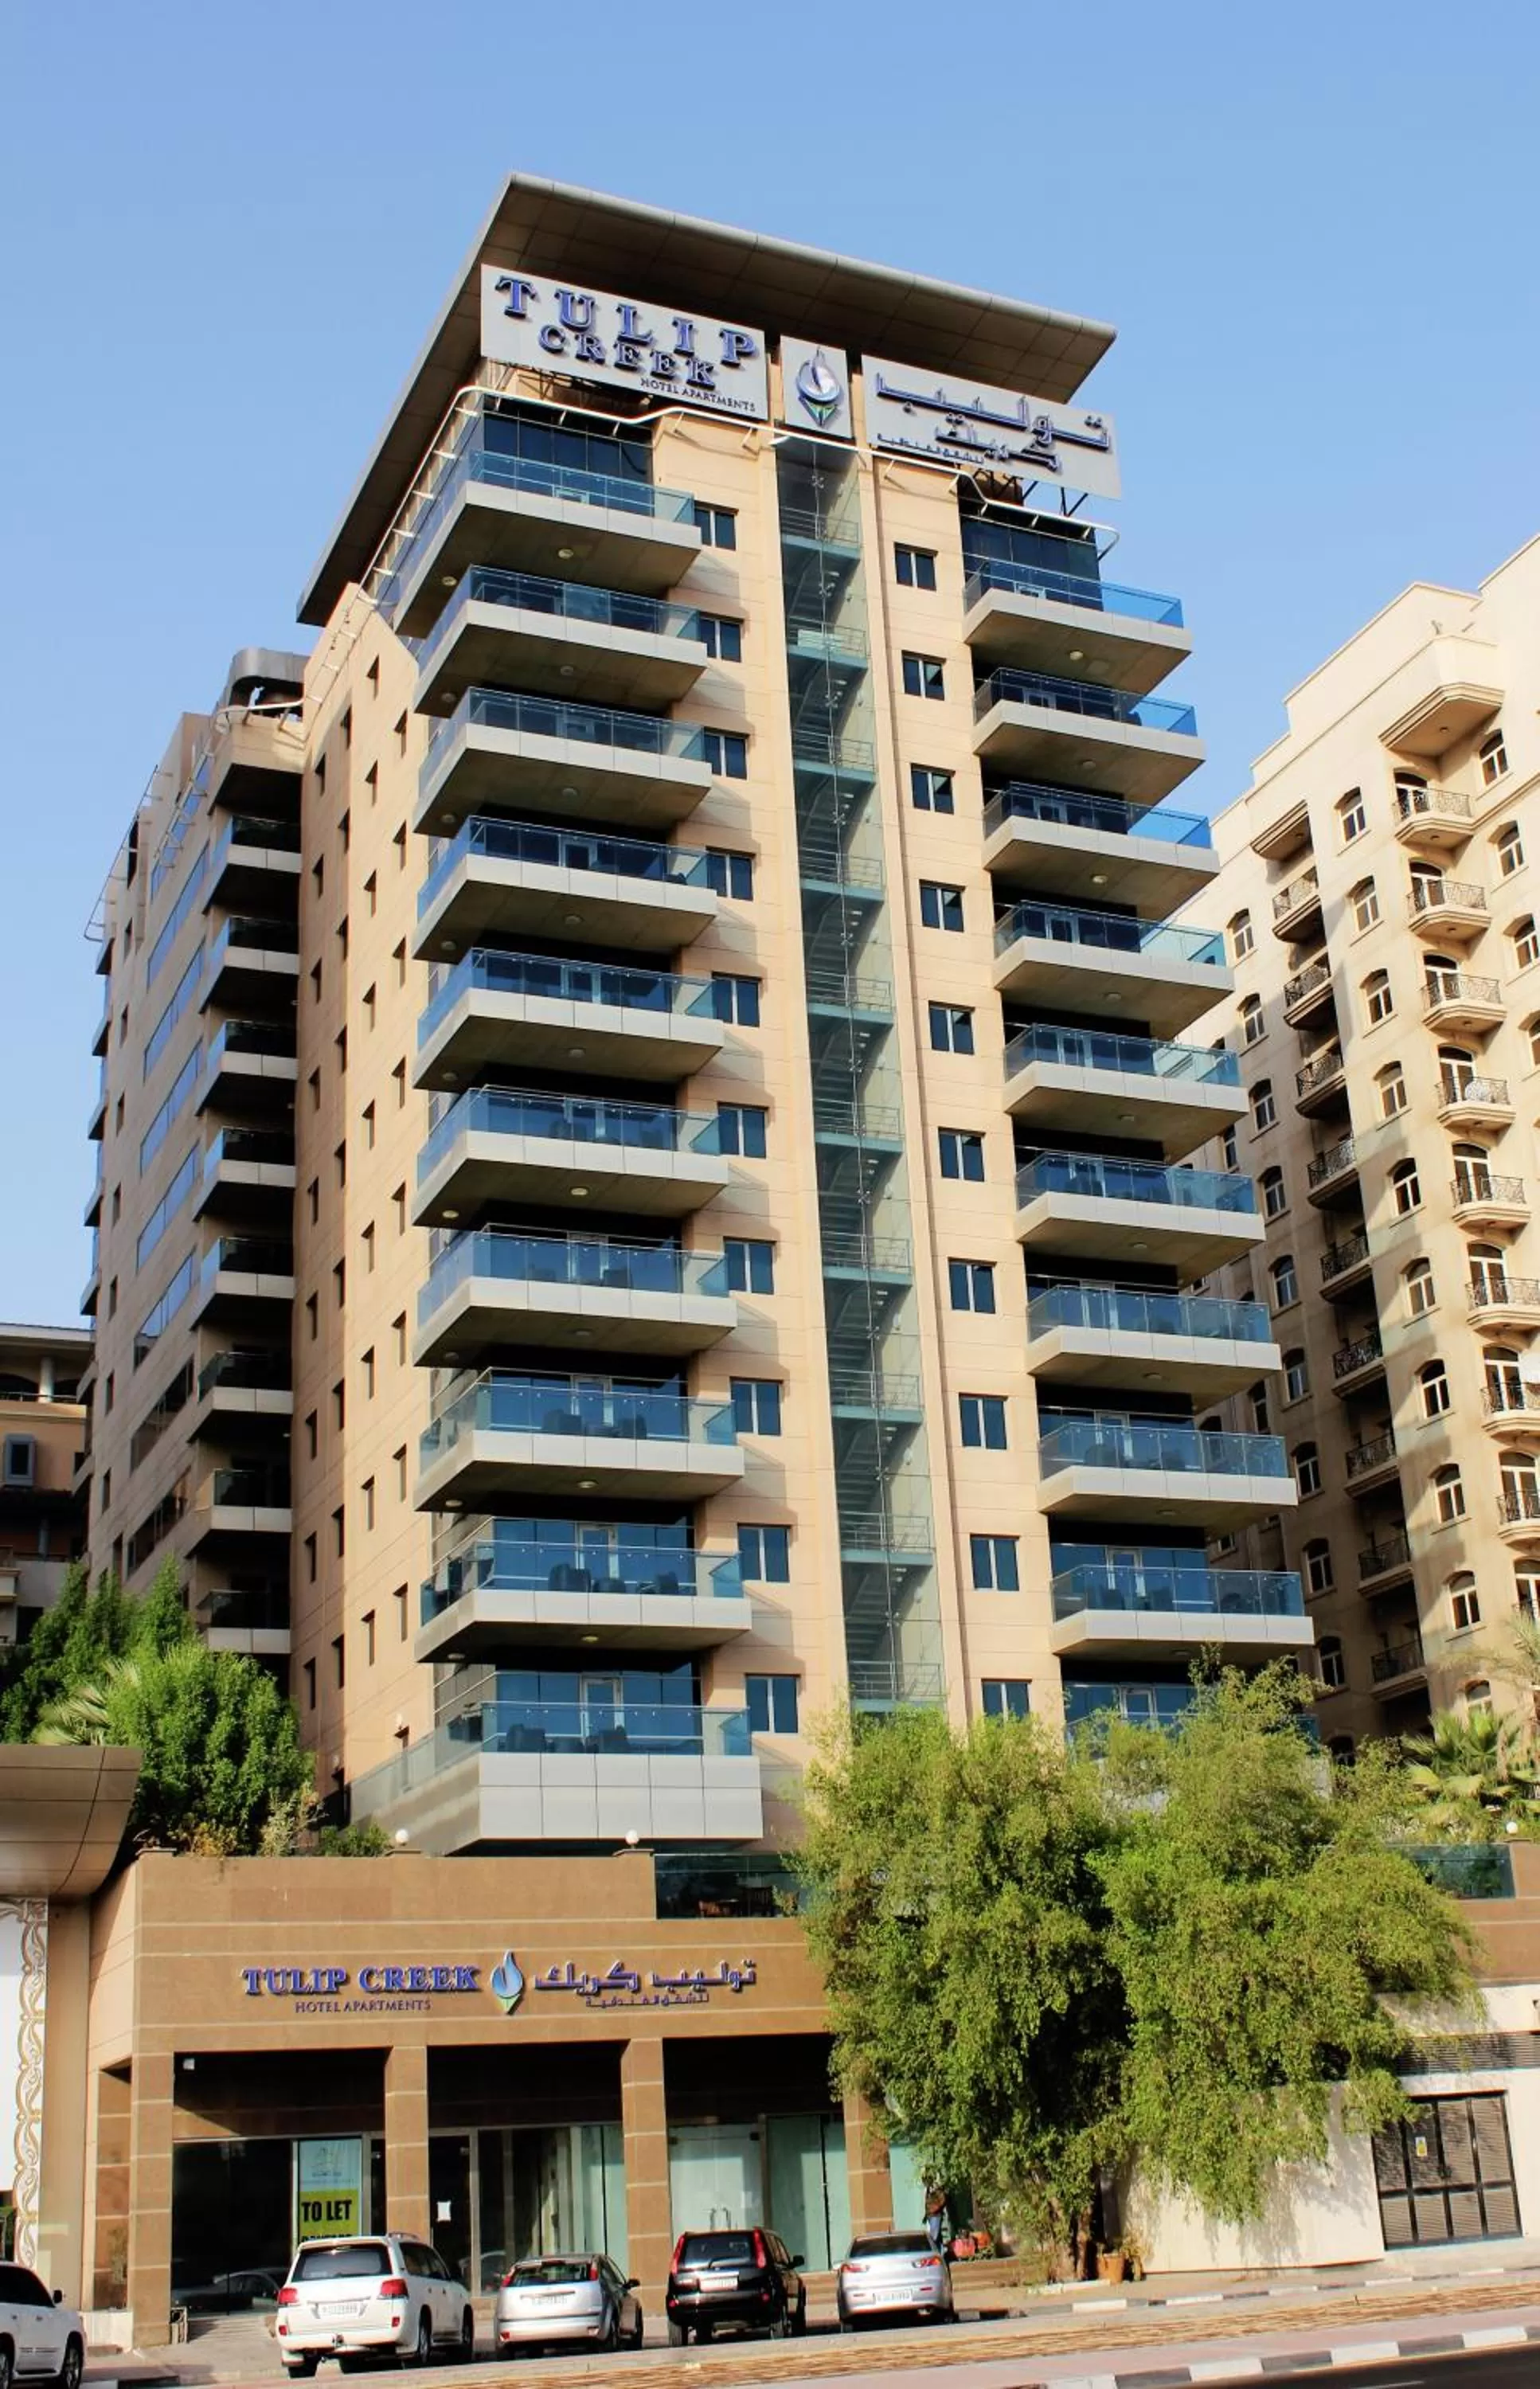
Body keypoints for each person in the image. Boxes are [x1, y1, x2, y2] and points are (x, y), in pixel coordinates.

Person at [924, 2190, 949, 2261]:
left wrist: (934, 2209)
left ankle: (938, 2258)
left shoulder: (938, 2192)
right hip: (933, 2216)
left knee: (935, 2239)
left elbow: (942, 2201)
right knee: (936, 2239)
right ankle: (938, 2257)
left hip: (935, 2216)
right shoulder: (930, 2192)